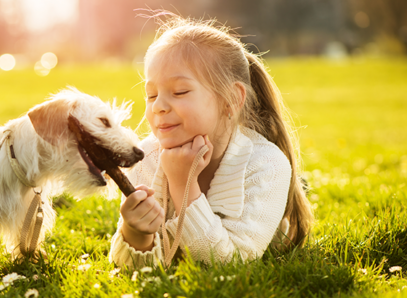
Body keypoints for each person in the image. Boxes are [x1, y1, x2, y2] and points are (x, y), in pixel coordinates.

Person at [109, 14, 313, 268]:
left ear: (231, 99)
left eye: (179, 91)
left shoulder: (266, 165)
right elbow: (131, 269)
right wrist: (136, 233)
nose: (159, 106)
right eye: (151, 95)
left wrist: (184, 186)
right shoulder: (146, 158)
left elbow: (232, 264)